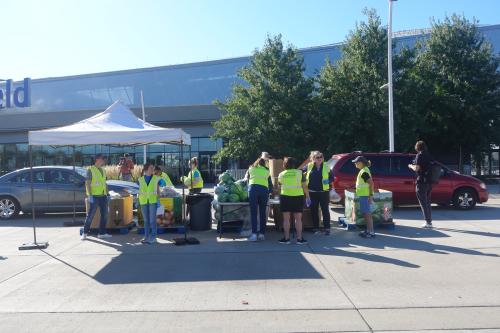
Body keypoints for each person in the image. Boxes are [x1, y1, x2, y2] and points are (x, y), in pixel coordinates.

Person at [278, 157, 309, 244]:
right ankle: (299, 239)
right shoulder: (299, 173)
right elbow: (304, 186)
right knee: (298, 219)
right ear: (294, 164)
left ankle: (286, 239)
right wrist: (308, 197)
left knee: (286, 219)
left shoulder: (281, 174)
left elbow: (279, 188)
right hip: (297, 197)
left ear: (284, 164)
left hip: (285, 197)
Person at [81, 154, 111, 240]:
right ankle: (85, 233)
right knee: (90, 215)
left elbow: (104, 183)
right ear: (97, 159)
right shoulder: (90, 170)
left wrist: (108, 194)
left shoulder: (103, 170)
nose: (104, 160)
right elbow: (88, 183)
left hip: (103, 196)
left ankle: (102, 233)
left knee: (105, 215)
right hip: (94, 196)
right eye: (102, 159)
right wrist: (90, 195)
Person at [304, 151, 334, 236]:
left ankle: (327, 228)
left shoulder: (326, 166)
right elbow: (300, 173)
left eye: (321, 156)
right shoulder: (309, 166)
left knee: (325, 210)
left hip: (324, 192)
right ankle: (316, 228)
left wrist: (328, 181)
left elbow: (332, 178)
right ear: (313, 159)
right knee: (314, 211)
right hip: (312, 192)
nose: (320, 158)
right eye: (317, 157)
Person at [247, 154, 273, 242]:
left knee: (254, 213)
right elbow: (270, 184)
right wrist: (269, 192)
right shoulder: (267, 171)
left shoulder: (251, 169)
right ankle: (262, 234)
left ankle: (254, 234)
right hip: (264, 191)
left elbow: (247, 181)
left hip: (253, 190)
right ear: (264, 164)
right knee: (262, 213)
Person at [408, 140, 433, 228]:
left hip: (422, 181)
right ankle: (429, 221)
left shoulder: (419, 155)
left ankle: (428, 222)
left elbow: (417, 168)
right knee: (428, 202)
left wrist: (411, 166)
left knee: (423, 202)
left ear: (417, 147)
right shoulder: (428, 155)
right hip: (429, 182)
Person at [138, 163, 162, 244]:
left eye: (153, 168)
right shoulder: (140, 179)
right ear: (146, 169)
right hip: (143, 201)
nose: (152, 169)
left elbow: (158, 191)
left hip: (152, 201)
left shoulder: (156, 178)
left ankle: (153, 237)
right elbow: (139, 190)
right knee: (146, 220)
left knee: (152, 220)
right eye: (151, 168)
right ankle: (146, 237)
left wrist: (158, 197)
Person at [352, 156, 375, 238]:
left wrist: (370, 195)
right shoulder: (363, 170)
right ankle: (368, 230)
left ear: (361, 163)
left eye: (356, 162)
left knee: (367, 214)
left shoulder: (364, 172)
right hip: (364, 195)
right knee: (366, 214)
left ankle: (371, 232)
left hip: (365, 196)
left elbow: (371, 183)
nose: (355, 164)